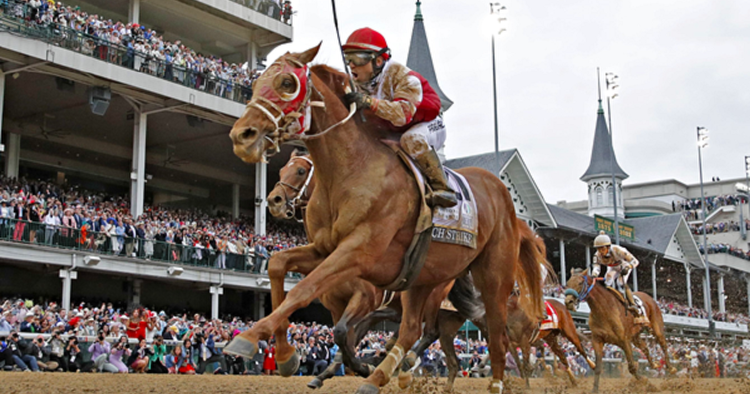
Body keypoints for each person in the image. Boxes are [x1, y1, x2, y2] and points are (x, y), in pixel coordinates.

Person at [341, 27, 456, 208]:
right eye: (348, 59)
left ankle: (443, 188)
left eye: (357, 59)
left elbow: (402, 115)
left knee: (411, 139)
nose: (351, 65)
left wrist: (369, 103)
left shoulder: (405, 78)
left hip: (426, 124)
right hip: (393, 129)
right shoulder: (357, 83)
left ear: (378, 60)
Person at [590, 231, 640, 314]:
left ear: (608, 247)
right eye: (598, 249)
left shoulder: (618, 250)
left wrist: (628, 267)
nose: (601, 252)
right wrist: (594, 275)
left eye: (602, 249)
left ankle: (632, 304)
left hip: (623, 265)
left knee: (620, 282)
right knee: (607, 281)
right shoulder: (597, 255)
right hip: (612, 267)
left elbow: (635, 261)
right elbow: (596, 267)